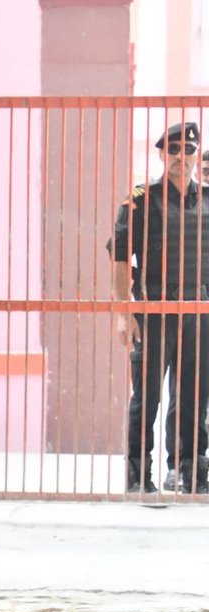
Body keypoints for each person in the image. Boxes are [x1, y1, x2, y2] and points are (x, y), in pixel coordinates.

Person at [112, 121, 209, 494]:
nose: (180, 158)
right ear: (160, 154)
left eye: (187, 151)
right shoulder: (140, 199)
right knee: (148, 397)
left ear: (195, 155)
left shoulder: (207, 200)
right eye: (172, 151)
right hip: (153, 310)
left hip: (198, 312)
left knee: (193, 397)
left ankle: (189, 472)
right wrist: (124, 312)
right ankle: (138, 475)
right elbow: (121, 258)